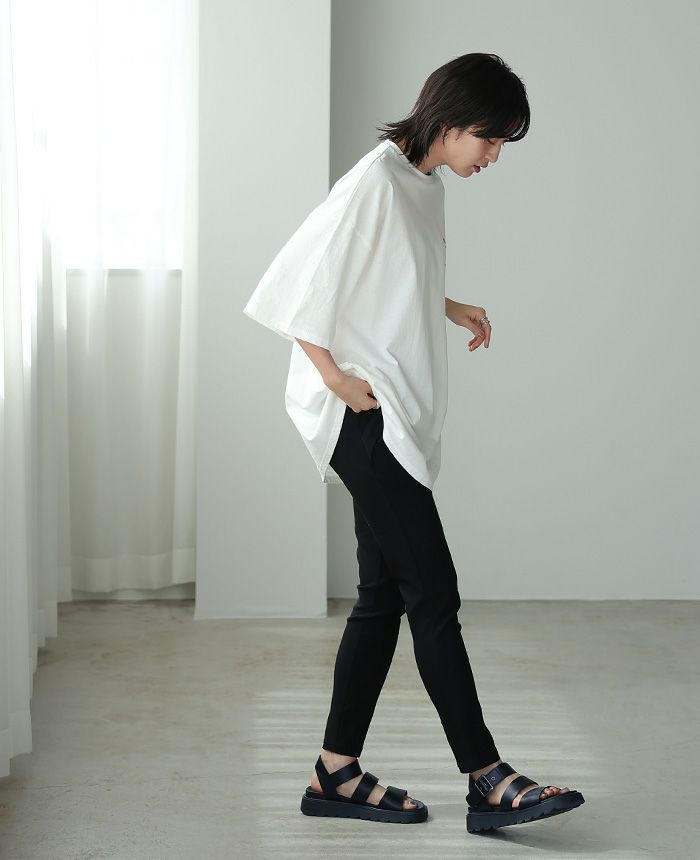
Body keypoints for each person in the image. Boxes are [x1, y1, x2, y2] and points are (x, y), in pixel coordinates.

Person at [243, 52, 585, 833]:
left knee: (383, 596)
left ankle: (335, 772)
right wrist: (333, 378)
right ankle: (487, 777)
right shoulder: (374, 182)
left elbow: (387, 279)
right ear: (453, 119)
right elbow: (293, 285)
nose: (493, 157)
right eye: (491, 139)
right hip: (365, 420)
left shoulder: (420, 183)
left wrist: (448, 304)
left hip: (388, 415)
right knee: (433, 591)